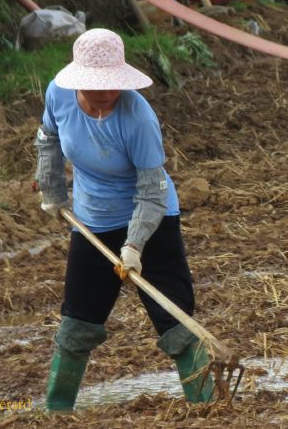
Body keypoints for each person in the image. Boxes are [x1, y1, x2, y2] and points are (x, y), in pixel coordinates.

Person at [34, 28, 213, 411]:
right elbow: (48, 137)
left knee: (174, 316)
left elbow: (152, 191)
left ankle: (207, 404)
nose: (106, 94)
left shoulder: (138, 118)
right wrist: (52, 190)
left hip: (152, 219)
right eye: (96, 86)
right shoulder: (58, 94)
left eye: (113, 85)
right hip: (92, 221)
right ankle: (57, 410)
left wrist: (133, 245)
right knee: (78, 320)